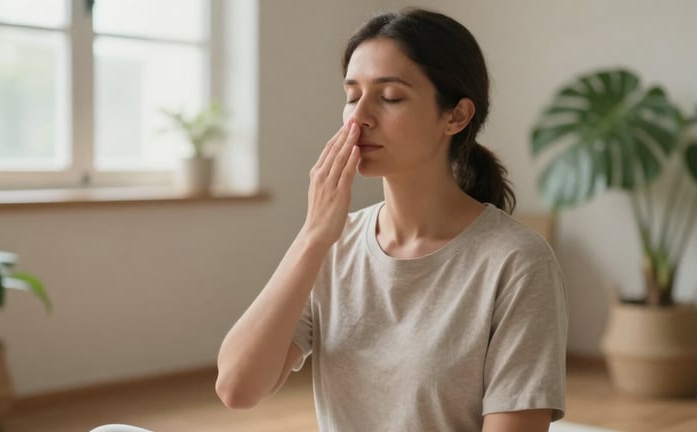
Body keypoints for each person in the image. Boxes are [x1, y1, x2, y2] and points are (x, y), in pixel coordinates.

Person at [216, 7, 567, 432]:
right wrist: (312, 237)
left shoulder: (517, 261)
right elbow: (236, 388)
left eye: (390, 97)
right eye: (351, 96)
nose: (359, 117)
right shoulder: (333, 246)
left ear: (455, 116)